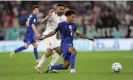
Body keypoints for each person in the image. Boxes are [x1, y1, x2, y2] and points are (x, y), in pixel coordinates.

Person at [35, 3, 66, 73]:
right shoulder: (52, 14)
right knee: (49, 52)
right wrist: (48, 16)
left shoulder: (59, 17)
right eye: (60, 9)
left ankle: (50, 66)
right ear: (57, 8)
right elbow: (42, 22)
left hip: (53, 36)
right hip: (47, 35)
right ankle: (38, 67)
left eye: (63, 9)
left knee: (60, 52)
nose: (62, 11)